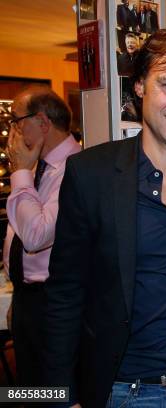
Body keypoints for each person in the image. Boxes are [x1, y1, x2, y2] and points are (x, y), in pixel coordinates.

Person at [43, 28, 166, 408]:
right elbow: (64, 295)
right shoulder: (91, 174)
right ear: (139, 87)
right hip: (126, 393)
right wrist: (58, 397)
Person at [3, 86, 81, 387]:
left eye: (16, 121)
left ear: (43, 123)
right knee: (30, 390)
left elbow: (35, 235)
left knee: (54, 391)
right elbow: (20, 234)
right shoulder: (37, 168)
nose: (12, 132)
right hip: (28, 297)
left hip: (54, 304)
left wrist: (20, 172)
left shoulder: (75, 170)